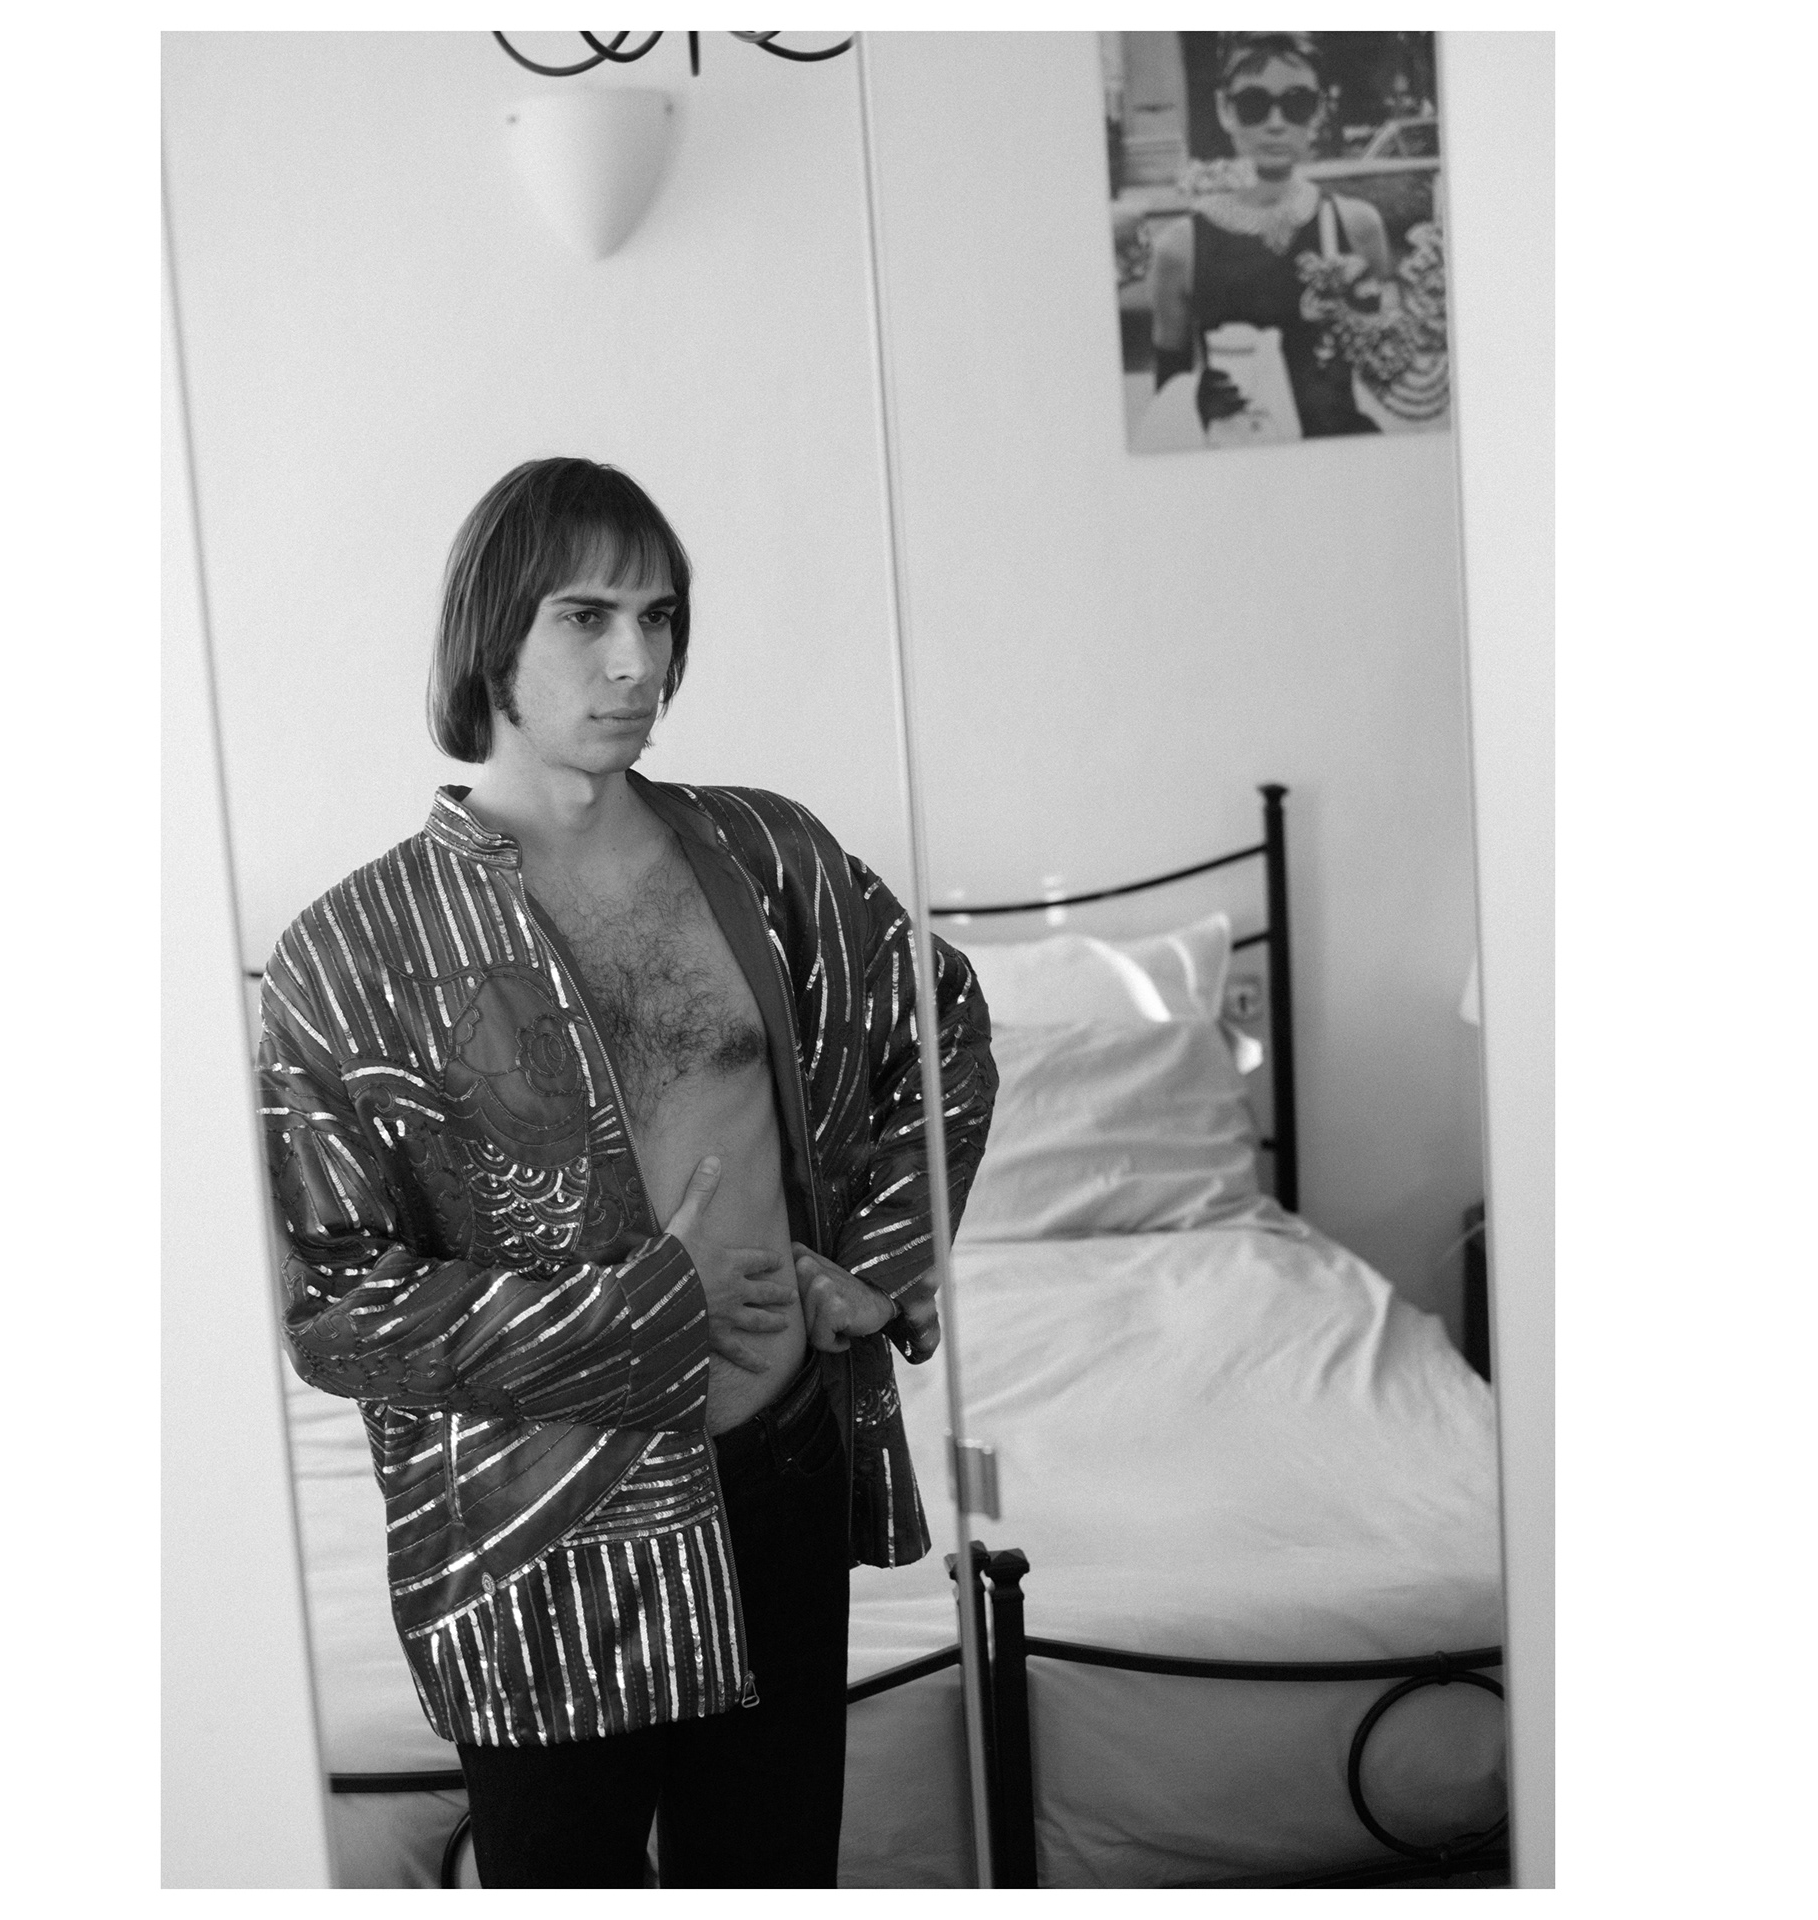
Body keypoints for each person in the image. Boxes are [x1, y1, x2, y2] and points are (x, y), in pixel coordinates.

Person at [256, 457, 997, 1888]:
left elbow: (939, 1023)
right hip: (534, 1528)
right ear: (492, 641)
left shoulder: (770, 858)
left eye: (659, 618)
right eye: (587, 618)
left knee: (772, 1876)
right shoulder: (352, 956)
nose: (638, 662)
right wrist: (646, 1313)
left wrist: (877, 1264)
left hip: (778, 1462)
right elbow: (338, 1307)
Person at [1147, 31, 1393, 439]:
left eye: (1297, 104)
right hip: (1240, 456)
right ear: (1225, 110)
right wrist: (1195, 397)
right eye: (1253, 105)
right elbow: (1168, 395)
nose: (1276, 124)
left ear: (1318, 111)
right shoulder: (1182, 247)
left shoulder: (1356, 224)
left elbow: (1385, 370)